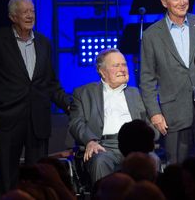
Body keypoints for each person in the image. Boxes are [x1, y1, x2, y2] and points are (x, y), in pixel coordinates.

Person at [0, 0, 71, 193]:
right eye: (25, 12)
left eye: (32, 11)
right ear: (13, 17)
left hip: (38, 118)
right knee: (8, 178)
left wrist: (68, 104)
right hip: (8, 118)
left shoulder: (44, 43)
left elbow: (51, 83)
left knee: (38, 177)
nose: (30, 16)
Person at [140, 0, 195, 164]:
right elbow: (147, 79)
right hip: (173, 111)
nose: (182, 2)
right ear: (164, 2)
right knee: (176, 168)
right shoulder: (151, 35)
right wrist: (155, 113)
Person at [68, 48, 159, 183]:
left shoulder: (137, 93)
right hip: (102, 145)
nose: (122, 69)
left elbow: (150, 123)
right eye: (116, 65)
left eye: (124, 65)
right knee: (100, 161)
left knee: (152, 159)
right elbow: (76, 123)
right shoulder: (84, 93)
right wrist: (90, 141)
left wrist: (148, 138)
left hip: (134, 145)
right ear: (102, 71)